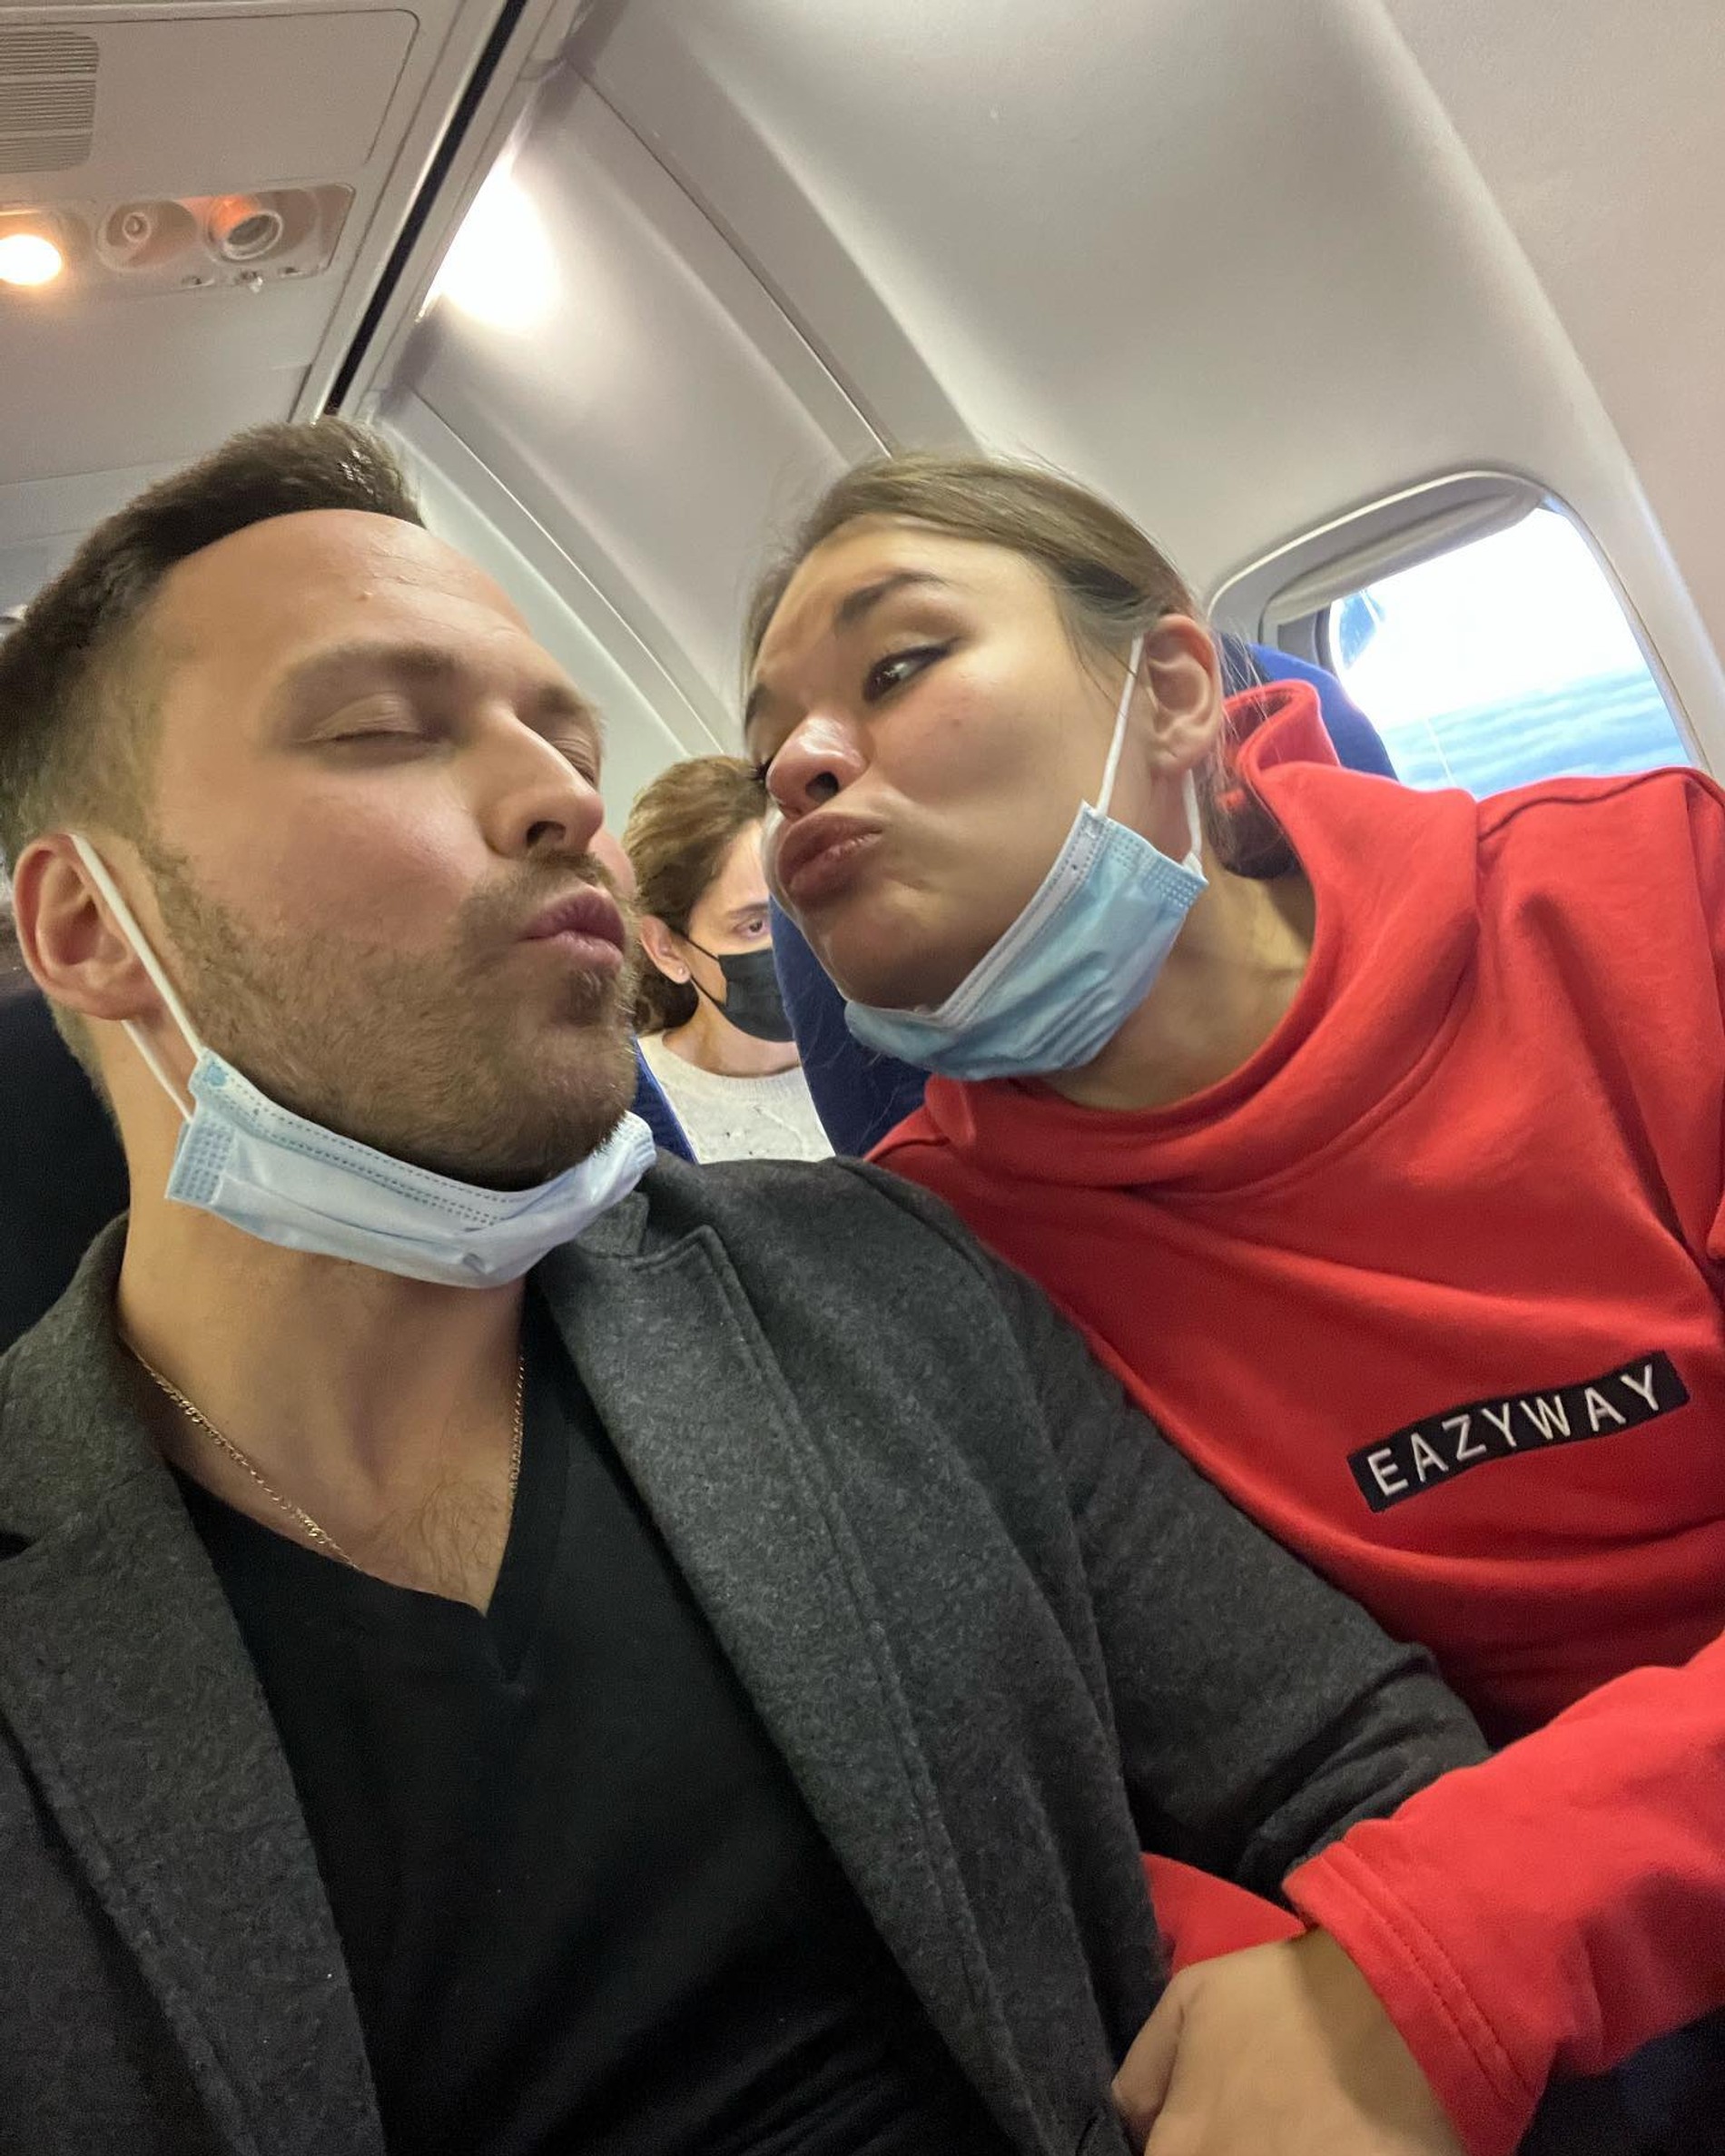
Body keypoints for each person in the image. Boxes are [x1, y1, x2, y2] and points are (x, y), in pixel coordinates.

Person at [0, 420, 1491, 2156]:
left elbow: (1359, 1760)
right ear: (89, 927)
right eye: (384, 729)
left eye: (566, 740)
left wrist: (1361, 2021)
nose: (569, 802)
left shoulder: (875, 1288)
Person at [742, 450, 1725, 2156]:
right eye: (766, 749)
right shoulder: (919, 1273)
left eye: (898, 665)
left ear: (1179, 692)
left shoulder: (1649, 899)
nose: (801, 764)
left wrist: (1445, 1948)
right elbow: (1065, 1780)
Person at [624, 753, 831, 1161]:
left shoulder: (892, 1053)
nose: (795, 941)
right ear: (666, 948)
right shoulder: (636, 1116)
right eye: (755, 925)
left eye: (805, 903)